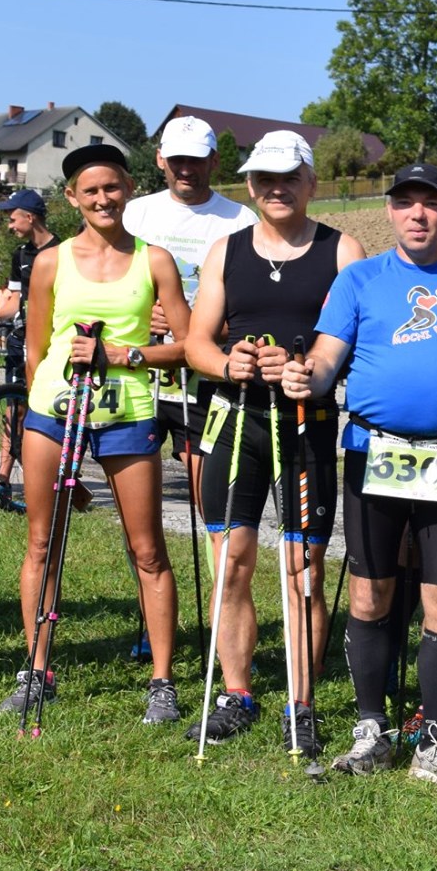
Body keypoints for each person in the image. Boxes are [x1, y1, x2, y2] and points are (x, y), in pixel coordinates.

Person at [284, 162, 437, 790]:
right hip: (375, 452)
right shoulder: (360, 279)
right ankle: (372, 731)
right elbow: (326, 360)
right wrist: (302, 377)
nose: (417, 214)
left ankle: (435, 742)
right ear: (390, 212)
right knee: (371, 593)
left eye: (430, 203)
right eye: (405, 203)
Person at [183, 130, 362, 750]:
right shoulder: (226, 250)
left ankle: (300, 701)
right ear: (250, 185)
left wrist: (310, 368)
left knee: (303, 568)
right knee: (231, 561)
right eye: (263, 178)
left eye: (288, 177)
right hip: (234, 421)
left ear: (311, 183)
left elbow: (354, 339)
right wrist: (226, 363)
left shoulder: (343, 250)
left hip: (304, 423)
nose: (276, 188)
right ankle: (237, 692)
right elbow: (196, 341)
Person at [9, 144, 192, 725]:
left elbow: (185, 346)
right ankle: (37, 670)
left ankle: (161, 680)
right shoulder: (50, 262)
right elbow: (37, 350)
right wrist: (36, 410)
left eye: (111, 187)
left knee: (147, 550)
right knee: (43, 542)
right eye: (89, 191)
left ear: (129, 188)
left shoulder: (154, 260)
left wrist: (123, 353)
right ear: (71, 198)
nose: (102, 199)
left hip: (128, 412)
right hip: (53, 412)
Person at [126, 116, 251, 513]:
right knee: (137, 508)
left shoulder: (241, 220)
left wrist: (205, 329)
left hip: (205, 378)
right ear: (160, 159)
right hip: (139, 371)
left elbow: (250, 305)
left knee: (211, 503)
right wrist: (141, 319)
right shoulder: (135, 214)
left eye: (195, 160)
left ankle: (220, 575)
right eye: (177, 159)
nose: (185, 169)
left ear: (214, 161)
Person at [0, 189, 63, 502]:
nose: (9, 226)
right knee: (13, 407)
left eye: (12, 218)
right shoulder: (19, 255)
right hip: (20, 340)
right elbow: (14, 300)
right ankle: (3, 480)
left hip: (52, 344)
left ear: (30, 216)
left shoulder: (63, 252)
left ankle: (60, 479)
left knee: (52, 409)